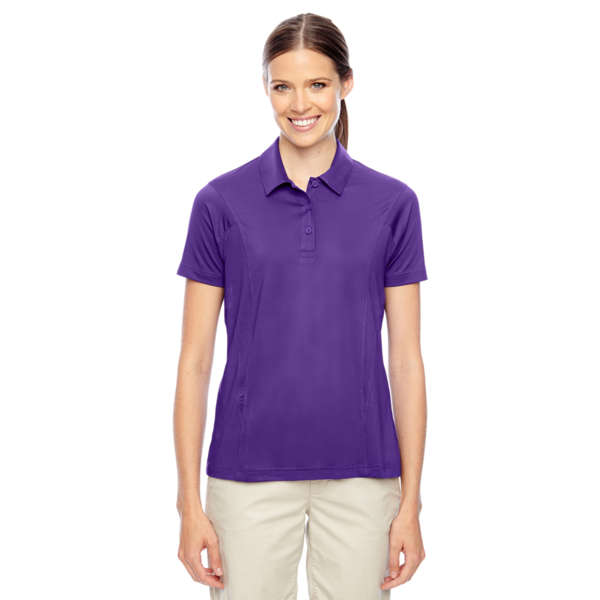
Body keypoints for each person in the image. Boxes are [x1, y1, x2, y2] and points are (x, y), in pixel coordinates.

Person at [174, 12, 428, 599]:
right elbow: (194, 362)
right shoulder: (220, 203)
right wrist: (188, 504)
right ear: (266, 89)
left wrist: (411, 503)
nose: (299, 103)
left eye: (317, 84)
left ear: (345, 84)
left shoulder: (393, 204)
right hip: (246, 476)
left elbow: (406, 361)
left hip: (365, 476)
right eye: (282, 86)